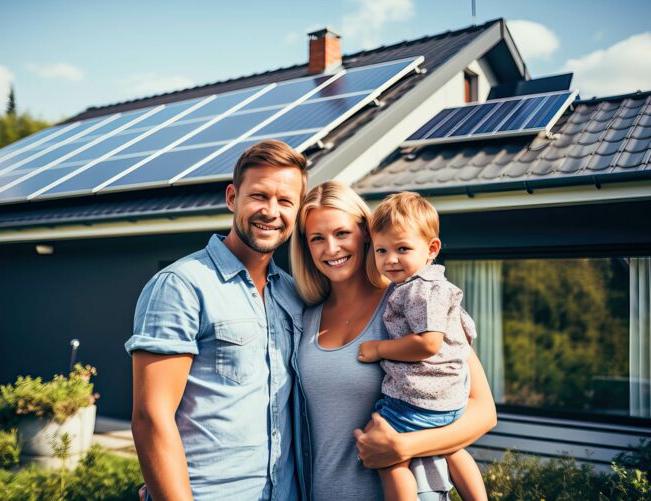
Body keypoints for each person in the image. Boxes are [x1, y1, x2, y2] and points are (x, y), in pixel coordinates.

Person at [290, 181, 497, 501]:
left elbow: (483, 411)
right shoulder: (303, 320)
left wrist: (404, 447)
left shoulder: (415, 303)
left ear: (367, 234)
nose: (331, 248)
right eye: (317, 238)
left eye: (342, 233)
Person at [125, 140, 307, 500]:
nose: (271, 211)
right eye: (259, 196)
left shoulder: (294, 294)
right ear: (231, 197)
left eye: (285, 201)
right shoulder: (182, 285)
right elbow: (151, 418)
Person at [356, 192, 486, 500]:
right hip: (449, 401)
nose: (390, 259)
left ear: (432, 249)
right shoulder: (439, 286)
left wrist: (378, 349)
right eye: (381, 250)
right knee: (452, 448)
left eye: (402, 248)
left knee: (389, 457)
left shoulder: (418, 290)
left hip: (416, 399)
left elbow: (428, 343)